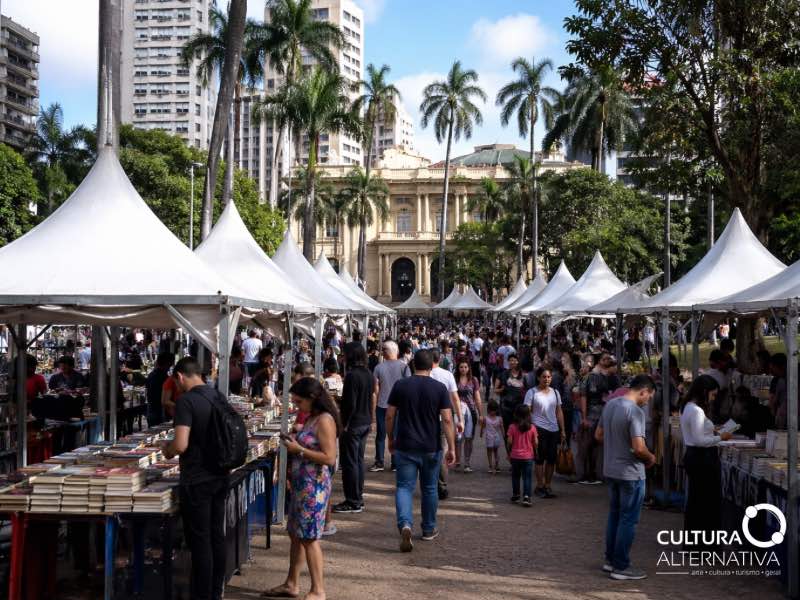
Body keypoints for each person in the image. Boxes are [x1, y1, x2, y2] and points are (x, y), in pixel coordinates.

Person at [264, 377, 340, 600]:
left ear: (312, 398)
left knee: (309, 538)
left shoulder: (324, 420)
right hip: (303, 485)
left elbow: (329, 457)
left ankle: (318, 590)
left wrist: (299, 449)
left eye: (299, 402)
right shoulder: (312, 417)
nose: (297, 407)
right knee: (297, 535)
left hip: (313, 487)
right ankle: (292, 583)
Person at [161, 357, 229, 600]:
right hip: (220, 474)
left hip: (197, 479)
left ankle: (202, 594)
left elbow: (181, 444)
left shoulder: (186, 401)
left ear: (180, 376)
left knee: (200, 540)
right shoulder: (218, 396)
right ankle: (216, 590)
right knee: (216, 535)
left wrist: (168, 450)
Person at [387, 349, 456, 552]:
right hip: (431, 446)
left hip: (405, 444)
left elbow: (390, 415)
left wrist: (390, 438)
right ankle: (428, 528)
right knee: (430, 488)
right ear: (432, 365)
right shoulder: (439, 388)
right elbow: (447, 419)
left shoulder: (401, 385)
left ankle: (405, 523)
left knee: (404, 487)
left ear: (413, 364)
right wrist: (451, 447)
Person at [595, 374, 656, 581]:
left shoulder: (611, 405)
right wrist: (650, 457)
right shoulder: (635, 412)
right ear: (643, 391)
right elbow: (639, 447)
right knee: (628, 519)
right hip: (630, 473)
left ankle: (610, 559)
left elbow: (599, 435)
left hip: (611, 469)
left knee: (615, 515)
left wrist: (617, 444)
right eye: (649, 397)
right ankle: (621, 565)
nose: (647, 401)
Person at [680, 375, 731, 545]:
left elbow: (698, 433)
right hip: (702, 459)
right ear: (704, 392)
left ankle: (696, 543)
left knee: (697, 500)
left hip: (696, 457)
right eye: (713, 394)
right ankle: (704, 544)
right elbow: (699, 440)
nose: (713, 398)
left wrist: (712, 430)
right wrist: (721, 437)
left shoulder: (688, 407)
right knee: (705, 502)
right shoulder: (696, 410)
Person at [333, 344, 373, 514]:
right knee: (358, 461)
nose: (343, 358)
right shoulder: (368, 374)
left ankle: (353, 500)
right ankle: (357, 497)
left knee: (350, 462)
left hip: (353, 424)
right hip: (364, 421)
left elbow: (350, 403)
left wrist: (344, 424)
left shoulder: (352, 376)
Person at [524, 367, 566, 499]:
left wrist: (563, 430)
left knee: (551, 459)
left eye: (548, 377)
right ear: (538, 378)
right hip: (538, 429)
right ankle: (540, 485)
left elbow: (559, 411)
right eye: (544, 377)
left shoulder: (555, 393)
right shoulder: (532, 393)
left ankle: (548, 485)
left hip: (553, 429)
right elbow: (527, 411)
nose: (546, 379)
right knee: (539, 459)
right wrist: (530, 429)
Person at [578, 353, 618, 484]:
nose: (607, 361)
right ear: (599, 361)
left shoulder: (610, 377)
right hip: (592, 414)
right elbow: (583, 397)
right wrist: (584, 417)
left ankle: (596, 473)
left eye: (609, 358)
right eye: (605, 359)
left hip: (605, 413)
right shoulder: (589, 377)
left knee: (598, 445)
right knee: (587, 444)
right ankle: (584, 474)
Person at [370, 341, 410, 472]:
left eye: (383, 350)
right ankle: (395, 463)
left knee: (381, 435)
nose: (382, 352)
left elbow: (375, 390)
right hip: (399, 406)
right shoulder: (404, 367)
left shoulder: (378, 368)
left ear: (386, 352)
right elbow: (408, 386)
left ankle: (379, 462)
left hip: (382, 405)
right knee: (397, 434)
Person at [430, 349, 462, 497]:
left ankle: (430, 484)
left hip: (427, 420)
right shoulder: (447, 375)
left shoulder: (423, 374)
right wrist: (460, 419)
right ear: (440, 359)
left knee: (428, 452)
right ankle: (441, 486)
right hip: (444, 419)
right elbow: (455, 398)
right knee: (442, 453)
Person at [494, 354, 526, 458]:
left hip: (520, 409)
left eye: (514, 360)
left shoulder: (523, 375)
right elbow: (495, 390)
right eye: (510, 360)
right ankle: (510, 454)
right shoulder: (503, 374)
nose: (512, 362)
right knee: (508, 432)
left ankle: (518, 453)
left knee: (520, 430)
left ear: (518, 361)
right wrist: (502, 389)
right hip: (506, 408)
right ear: (508, 362)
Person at [507, 404, 538, 507]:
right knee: (527, 477)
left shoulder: (512, 427)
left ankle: (516, 494)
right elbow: (536, 442)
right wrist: (535, 451)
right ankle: (526, 496)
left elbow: (509, 441)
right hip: (528, 456)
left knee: (515, 476)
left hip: (515, 456)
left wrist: (509, 452)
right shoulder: (532, 427)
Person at [455, 357, 482, 473]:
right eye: (461, 367)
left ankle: (467, 462)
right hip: (457, 412)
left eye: (465, 367)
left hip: (471, 411)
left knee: (469, 437)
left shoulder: (474, 380)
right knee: (458, 437)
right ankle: (457, 460)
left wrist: (481, 414)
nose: (463, 369)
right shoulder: (454, 379)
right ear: (458, 368)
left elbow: (477, 398)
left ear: (469, 368)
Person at [145, 352, 173, 426]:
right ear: (167, 364)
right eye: (170, 364)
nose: (170, 366)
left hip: (151, 409)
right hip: (160, 411)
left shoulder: (151, 375)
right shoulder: (164, 378)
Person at [482, 400, 504, 474]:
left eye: (494, 410)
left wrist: (504, 435)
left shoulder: (499, 418)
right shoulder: (486, 418)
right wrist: (481, 432)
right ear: (488, 410)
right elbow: (483, 426)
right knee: (491, 451)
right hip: (490, 437)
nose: (493, 412)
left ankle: (496, 465)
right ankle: (491, 465)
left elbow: (502, 427)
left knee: (495, 451)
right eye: (491, 410)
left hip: (494, 437)